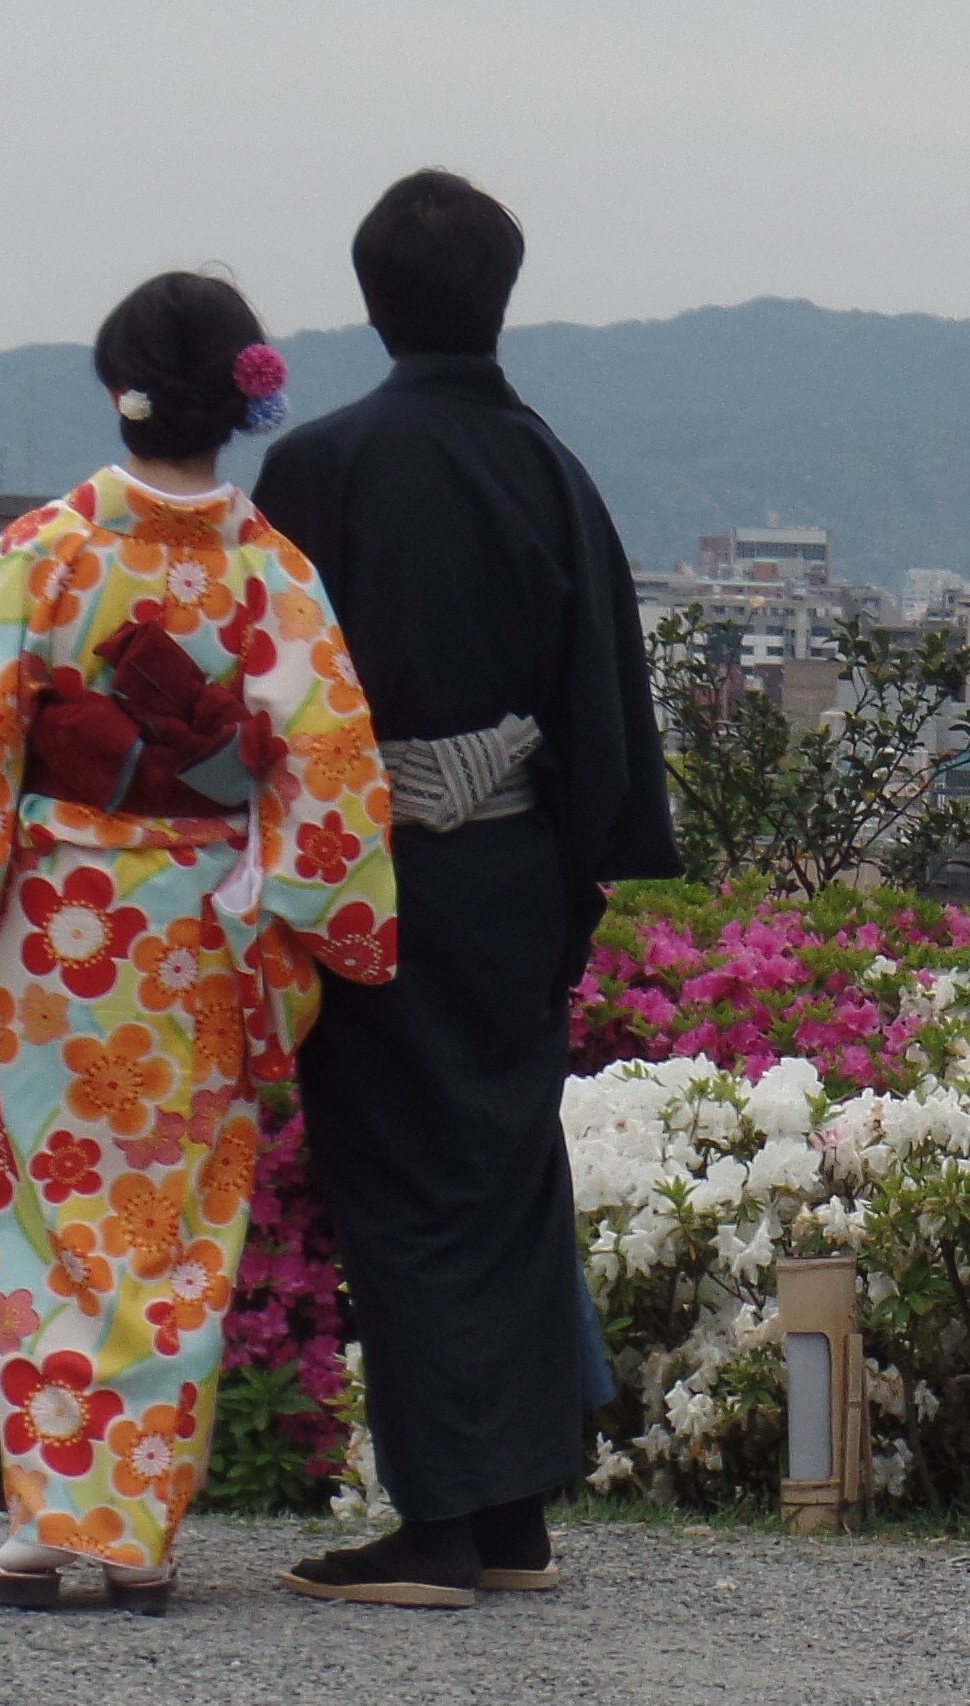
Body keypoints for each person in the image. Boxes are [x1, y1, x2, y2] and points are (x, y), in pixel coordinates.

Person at [0, 272, 400, 1612]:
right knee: (178, 1223)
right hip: (202, 933)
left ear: (116, 385)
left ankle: (48, 1525)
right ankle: (137, 1531)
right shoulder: (272, 573)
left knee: (50, 1214)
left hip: (62, 932)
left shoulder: (47, 549)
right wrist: (307, 917)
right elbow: (335, 776)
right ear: (241, 397)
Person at [254, 169, 680, 1608]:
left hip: (372, 868)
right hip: (514, 867)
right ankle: (509, 1514)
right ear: (502, 291)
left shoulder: (321, 464)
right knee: (499, 1173)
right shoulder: (550, 466)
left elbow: (272, 691)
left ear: (372, 301)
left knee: (401, 1182)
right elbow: (601, 693)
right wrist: (575, 867)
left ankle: (438, 1521)